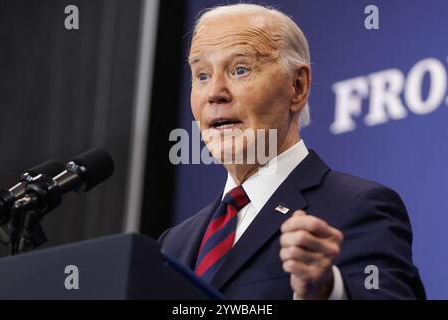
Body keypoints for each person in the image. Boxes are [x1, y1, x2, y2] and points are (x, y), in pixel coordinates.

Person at [158, 3, 425, 299]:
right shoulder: (173, 244)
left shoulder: (358, 206)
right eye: (202, 75)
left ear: (297, 87)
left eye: (240, 69)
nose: (214, 93)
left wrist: (328, 290)